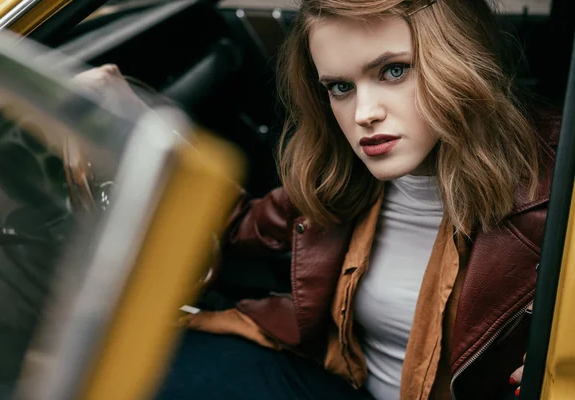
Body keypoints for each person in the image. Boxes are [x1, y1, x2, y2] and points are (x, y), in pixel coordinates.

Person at [154, 0, 561, 399]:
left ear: (458, 58)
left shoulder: (557, 183)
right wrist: (129, 119)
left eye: (394, 71)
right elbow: (236, 224)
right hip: (343, 382)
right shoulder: (340, 174)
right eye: (341, 87)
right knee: (152, 364)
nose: (364, 113)